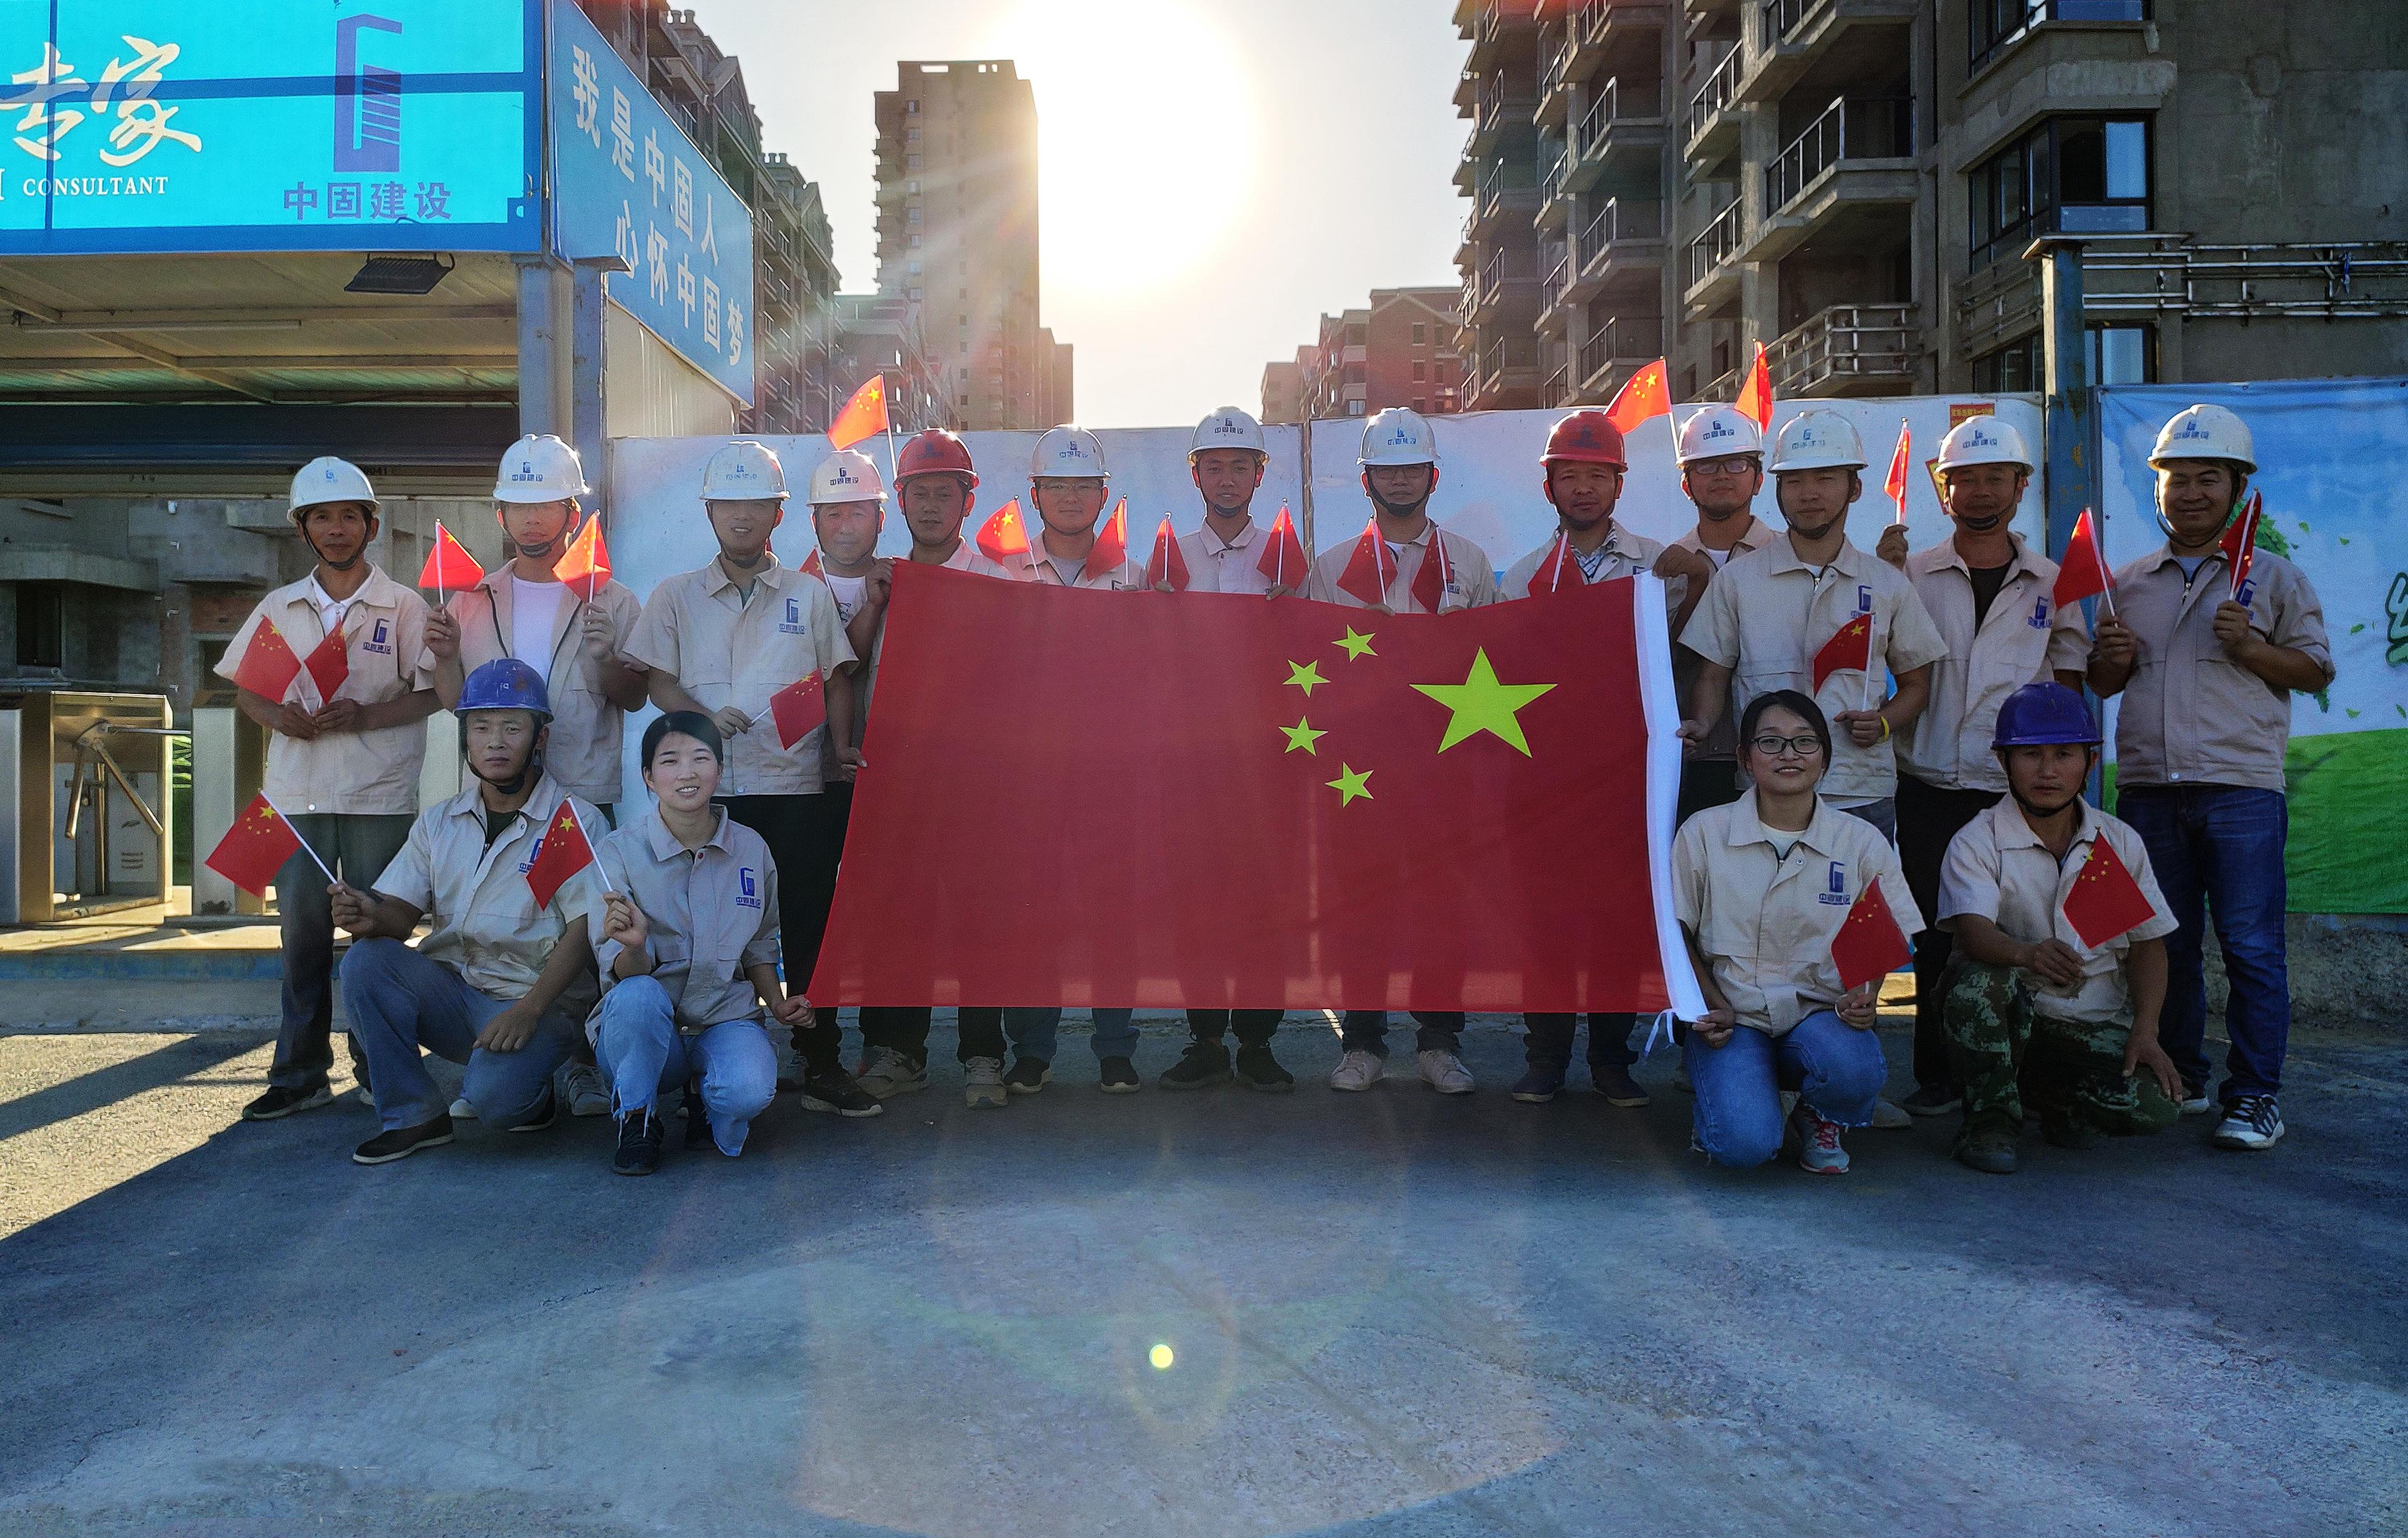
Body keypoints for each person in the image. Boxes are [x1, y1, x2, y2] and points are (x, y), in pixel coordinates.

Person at [2088, 403, 2332, 1152]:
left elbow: (2315, 669)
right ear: (2156, 489)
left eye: (2207, 478)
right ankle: (2184, 1076)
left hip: (2240, 790)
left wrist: (2252, 649)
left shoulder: (2274, 577)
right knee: (2165, 943)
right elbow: (2102, 684)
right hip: (2149, 791)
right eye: (2176, 479)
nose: (2190, 493)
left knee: (2251, 947)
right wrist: (2109, 659)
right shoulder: (2127, 584)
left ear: (2237, 488)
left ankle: (2255, 1096)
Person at [623, 439, 880, 1118]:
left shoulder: (808, 594)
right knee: (710, 930)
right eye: (729, 504)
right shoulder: (675, 597)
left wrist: (840, 749)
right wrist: (702, 719)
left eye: (757, 504)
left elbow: (837, 678)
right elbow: (657, 681)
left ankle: (821, 1059)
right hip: (712, 797)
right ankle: (710, 1055)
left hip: (795, 788)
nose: (742, 516)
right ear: (709, 512)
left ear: (779, 514)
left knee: (807, 926)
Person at [1872, 417, 2090, 1124]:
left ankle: (2026, 1073)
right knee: (1937, 935)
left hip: (2013, 792)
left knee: (2021, 927)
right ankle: (1938, 1076)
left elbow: (2068, 688)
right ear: (1943, 492)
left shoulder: (2053, 583)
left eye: (1995, 477)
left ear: (2021, 487)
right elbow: (1870, 657)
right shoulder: (1910, 573)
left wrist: (2064, 783)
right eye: (1964, 479)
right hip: (1929, 783)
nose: (1979, 491)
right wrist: (1877, 578)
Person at [427, 434, 647, 1121]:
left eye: (546, 505)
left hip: (582, 790)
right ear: (500, 514)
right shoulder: (469, 600)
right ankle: (526, 1061)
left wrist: (606, 657)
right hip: (505, 796)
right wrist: (443, 658)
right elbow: (455, 704)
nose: (532, 520)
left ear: (571, 513)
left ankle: (584, 1064)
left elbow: (633, 695)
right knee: (521, 928)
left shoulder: (608, 598)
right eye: (519, 506)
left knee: (591, 930)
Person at [1499, 408, 1714, 1109]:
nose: (1584, 489)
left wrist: (1698, 582)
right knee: (1548, 920)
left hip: (1629, 775)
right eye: (1570, 476)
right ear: (1549, 488)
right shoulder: (1524, 577)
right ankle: (1545, 1057)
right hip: (1545, 774)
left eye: (1598, 476)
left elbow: (1683, 653)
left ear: (1619, 485)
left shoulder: (1658, 564)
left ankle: (1611, 1060)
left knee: (1618, 918)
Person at [219, 456, 439, 1123]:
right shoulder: (280, 607)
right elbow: (248, 693)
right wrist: (277, 716)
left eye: (349, 516)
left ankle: (380, 1069)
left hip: (379, 795)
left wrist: (366, 715)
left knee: (378, 940)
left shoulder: (404, 605)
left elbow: (432, 693)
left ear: (372, 525)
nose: (336, 528)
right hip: (296, 798)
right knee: (302, 943)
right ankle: (299, 1074)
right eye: (321, 517)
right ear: (303, 529)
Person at [337, 661, 606, 1165]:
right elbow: (399, 914)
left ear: (540, 738)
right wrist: (369, 916)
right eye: (480, 728)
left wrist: (529, 1010)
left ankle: (533, 1093)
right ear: (465, 738)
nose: (495, 742)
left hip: (535, 1003)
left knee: (496, 1104)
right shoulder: (441, 821)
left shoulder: (572, 822)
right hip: (456, 993)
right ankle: (413, 1116)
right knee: (365, 962)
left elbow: (585, 929)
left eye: (512, 727)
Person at [1310, 407, 1500, 1094]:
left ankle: (1439, 1042)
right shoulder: (1332, 568)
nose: (1399, 481)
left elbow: (1496, 662)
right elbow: (1310, 669)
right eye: (1385, 470)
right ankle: (1361, 1043)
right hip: (1359, 765)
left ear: (1432, 476)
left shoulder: (1468, 564)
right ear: (1366, 480)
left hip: (1444, 760)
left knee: (1441, 903)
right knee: (1361, 902)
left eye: (1411, 469)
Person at [1935, 683, 2184, 1174]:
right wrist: (2027, 955)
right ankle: (1989, 1120)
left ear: (2090, 763)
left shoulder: (2119, 842)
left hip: (2088, 1023)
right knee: (1977, 986)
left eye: (2064, 754)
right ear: (2003, 761)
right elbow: (1973, 933)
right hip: (2012, 1015)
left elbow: (2148, 945)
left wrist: (2147, 1030)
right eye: (2031, 754)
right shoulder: (1977, 840)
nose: (2047, 771)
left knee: (2156, 1106)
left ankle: (2052, 1100)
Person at [844, 429, 1022, 1109]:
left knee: (978, 919)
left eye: (943, 493)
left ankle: (983, 1056)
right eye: (918, 493)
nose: (929, 506)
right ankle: (900, 1052)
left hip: (974, 783)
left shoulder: (994, 582)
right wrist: (873, 604)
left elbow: (1016, 682)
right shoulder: (882, 581)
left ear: (967, 501)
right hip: (894, 779)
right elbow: (847, 667)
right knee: (898, 917)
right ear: (900, 501)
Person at [1674, 690, 1921, 1175]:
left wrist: (1866, 995)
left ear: (1824, 759)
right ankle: (1733, 1103)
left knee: (1856, 1069)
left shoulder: (1860, 841)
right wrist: (1710, 1003)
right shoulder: (1704, 832)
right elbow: (1675, 931)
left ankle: (1817, 1115)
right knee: (1743, 1147)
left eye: (1805, 742)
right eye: (1771, 742)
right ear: (1745, 758)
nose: (1789, 754)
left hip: (1819, 1016)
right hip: (1735, 1020)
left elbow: (1885, 930)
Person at [1679, 409, 1948, 842]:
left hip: (1858, 790)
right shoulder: (1738, 580)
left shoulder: (1886, 584)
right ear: (1778, 489)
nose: (1809, 494)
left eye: (1826, 478)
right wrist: (1703, 724)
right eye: (1794, 481)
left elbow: (1917, 684)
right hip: (1766, 789)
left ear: (1854, 488)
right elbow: (1713, 675)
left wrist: (1883, 723)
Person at [981, 424, 1150, 1092]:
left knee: (1114, 911)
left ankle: (1116, 1047)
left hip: (1112, 774)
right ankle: (1033, 1049)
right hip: (1029, 776)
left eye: (1084, 486)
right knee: (1032, 912)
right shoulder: (1001, 576)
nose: (1071, 498)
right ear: (1035, 494)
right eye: (1057, 485)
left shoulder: (1137, 580)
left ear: (1104, 495)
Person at [1157, 406, 1295, 1091]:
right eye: (1214, 467)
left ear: (1260, 475)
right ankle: (1206, 1037)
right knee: (1197, 901)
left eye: (1241, 466)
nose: (1228, 479)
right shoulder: (1168, 559)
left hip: (1271, 761)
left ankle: (1259, 1040)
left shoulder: (1287, 559)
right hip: (1193, 764)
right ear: (1196, 475)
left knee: (1266, 902)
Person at [588, 712, 795, 1175]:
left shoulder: (751, 849)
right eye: (670, 761)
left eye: (701, 758)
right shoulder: (618, 853)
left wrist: (779, 1005)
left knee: (748, 1091)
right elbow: (621, 974)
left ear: (719, 770)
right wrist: (635, 946)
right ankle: (637, 1117)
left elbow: (760, 944)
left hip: (723, 1016)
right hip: (647, 1033)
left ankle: (707, 1099)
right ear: (648, 776)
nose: (687, 772)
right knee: (638, 997)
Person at [1666, 405, 1778, 826]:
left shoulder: (1789, 559)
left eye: (1736, 463)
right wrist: (1694, 586)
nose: (1722, 475)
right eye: (1706, 465)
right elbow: (1664, 665)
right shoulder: (1662, 568)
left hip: (1774, 759)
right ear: (1686, 483)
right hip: (1691, 760)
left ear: (1759, 478)